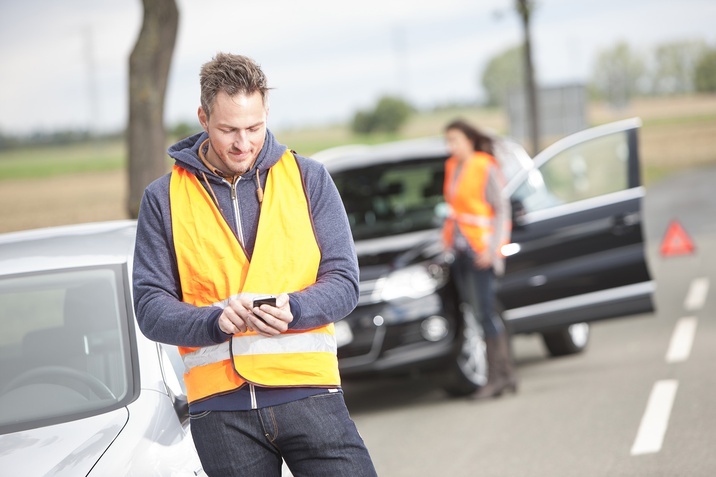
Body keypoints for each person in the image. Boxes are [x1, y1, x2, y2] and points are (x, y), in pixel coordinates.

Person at [132, 52, 377, 477]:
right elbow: (151, 307)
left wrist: (295, 309)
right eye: (228, 129)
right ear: (203, 118)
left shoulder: (308, 177)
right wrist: (214, 321)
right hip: (221, 413)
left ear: (267, 114)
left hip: (310, 395)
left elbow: (344, 282)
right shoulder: (163, 198)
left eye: (254, 127)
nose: (243, 143)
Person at [442, 119, 516, 401]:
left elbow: (500, 209)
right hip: (460, 251)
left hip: (480, 252)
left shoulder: (485, 165)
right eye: (448, 141)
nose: (451, 147)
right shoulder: (452, 166)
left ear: (469, 140)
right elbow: (455, 208)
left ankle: (499, 376)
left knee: (485, 313)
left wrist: (494, 249)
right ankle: (506, 374)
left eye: (455, 141)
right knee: (476, 312)